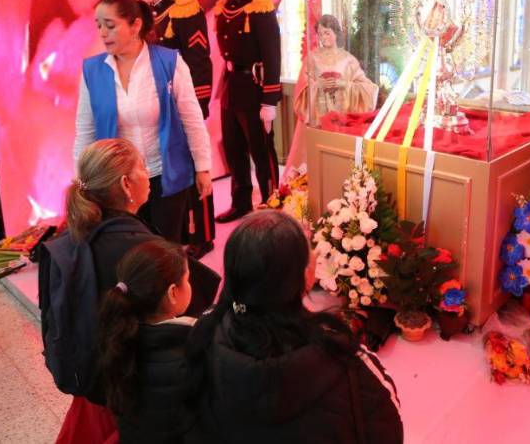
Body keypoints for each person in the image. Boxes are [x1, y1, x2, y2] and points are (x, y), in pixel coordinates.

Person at [48, 139, 219, 444]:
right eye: (143, 166)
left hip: (93, 381)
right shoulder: (141, 248)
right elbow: (195, 299)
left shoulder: (73, 234)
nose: (149, 172)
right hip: (135, 391)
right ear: (126, 185)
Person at [187, 210, 403, 443]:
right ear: (305, 276)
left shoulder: (202, 336)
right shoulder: (350, 363)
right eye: (308, 249)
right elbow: (388, 428)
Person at [73, 0, 212, 242]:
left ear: (135, 25)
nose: (103, 33)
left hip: (165, 175)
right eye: (99, 26)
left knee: (164, 250)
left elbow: (192, 119)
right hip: (118, 183)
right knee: (130, 252)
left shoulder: (169, 62)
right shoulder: (92, 71)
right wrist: (80, 182)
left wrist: (203, 168)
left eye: (110, 25)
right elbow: (85, 130)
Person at [135, 0, 217, 258]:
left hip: (183, 102)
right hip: (157, 108)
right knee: (173, 171)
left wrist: (198, 105)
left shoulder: (184, 9)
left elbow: (199, 59)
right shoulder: (144, 13)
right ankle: (180, 228)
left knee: (198, 166)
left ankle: (204, 234)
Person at [96, 239, 200, 444]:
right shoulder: (190, 355)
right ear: (172, 293)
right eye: (187, 279)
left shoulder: (117, 339)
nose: (190, 285)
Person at [213, 0, 282, 224]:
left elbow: (272, 55)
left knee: (261, 149)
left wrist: (269, 100)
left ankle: (271, 201)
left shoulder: (261, 8)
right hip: (232, 87)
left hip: (254, 87)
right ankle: (240, 202)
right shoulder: (224, 9)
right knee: (234, 149)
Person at [288, 14, 378, 168]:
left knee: (338, 163)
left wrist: (343, 84)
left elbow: (368, 88)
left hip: (341, 121)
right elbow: (302, 88)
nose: (323, 37)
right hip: (317, 120)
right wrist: (318, 86)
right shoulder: (312, 58)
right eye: (320, 33)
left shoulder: (348, 60)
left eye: (327, 32)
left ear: (336, 33)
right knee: (315, 164)